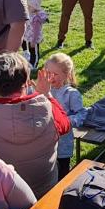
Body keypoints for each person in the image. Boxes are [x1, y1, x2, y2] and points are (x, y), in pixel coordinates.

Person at [0, 52, 71, 198]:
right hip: (44, 194)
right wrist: (46, 94)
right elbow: (66, 125)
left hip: (3, 197)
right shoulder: (48, 108)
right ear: (26, 82)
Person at [36, 52, 87, 180]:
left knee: (62, 174)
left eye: (55, 74)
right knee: (47, 173)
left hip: (62, 145)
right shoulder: (44, 89)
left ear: (67, 75)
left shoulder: (71, 94)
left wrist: (65, 121)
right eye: (48, 73)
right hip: (45, 143)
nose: (51, 77)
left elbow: (81, 114)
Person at [23, 0, 51, 68]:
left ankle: (34, 64)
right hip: (30, 37)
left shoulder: (36, 18)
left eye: (30, 6)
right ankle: (31, 62)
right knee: (31, 51)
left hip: (34, 38)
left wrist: (33, 41)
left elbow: (36, 32)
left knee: (34, 52)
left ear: (35, 8)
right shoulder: (31, 14)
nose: (28, 7)